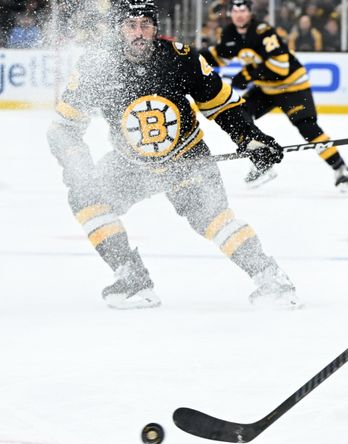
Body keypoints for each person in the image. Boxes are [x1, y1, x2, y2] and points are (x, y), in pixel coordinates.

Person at [47, 0, 297, 309]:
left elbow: (224, 106)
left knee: (214, 220)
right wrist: (78, 166)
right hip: (131, 166)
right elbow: (63, 128)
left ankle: (272, 280)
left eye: (146, 25)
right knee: (86, 197)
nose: (139, 33)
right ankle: (133, 281)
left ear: (155, 28)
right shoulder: (96, 66)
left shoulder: (181, 58)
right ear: (118, 28)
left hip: (186, 160)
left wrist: (251, 139)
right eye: (131, 25)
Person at [200, 0, 348, 192]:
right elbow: (218, 56)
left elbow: (281, 68)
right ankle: (262, 160)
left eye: (243, 10)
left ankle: (341, 169)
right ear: (231, 14)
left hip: (292, 87)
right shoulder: (230, 33)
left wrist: (249, 75)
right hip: (266, 89)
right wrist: (190, 57)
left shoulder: (263, 31)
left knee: (308, 128)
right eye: (235, 10)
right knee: (238, 115)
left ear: (250, 12)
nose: (239, 14)